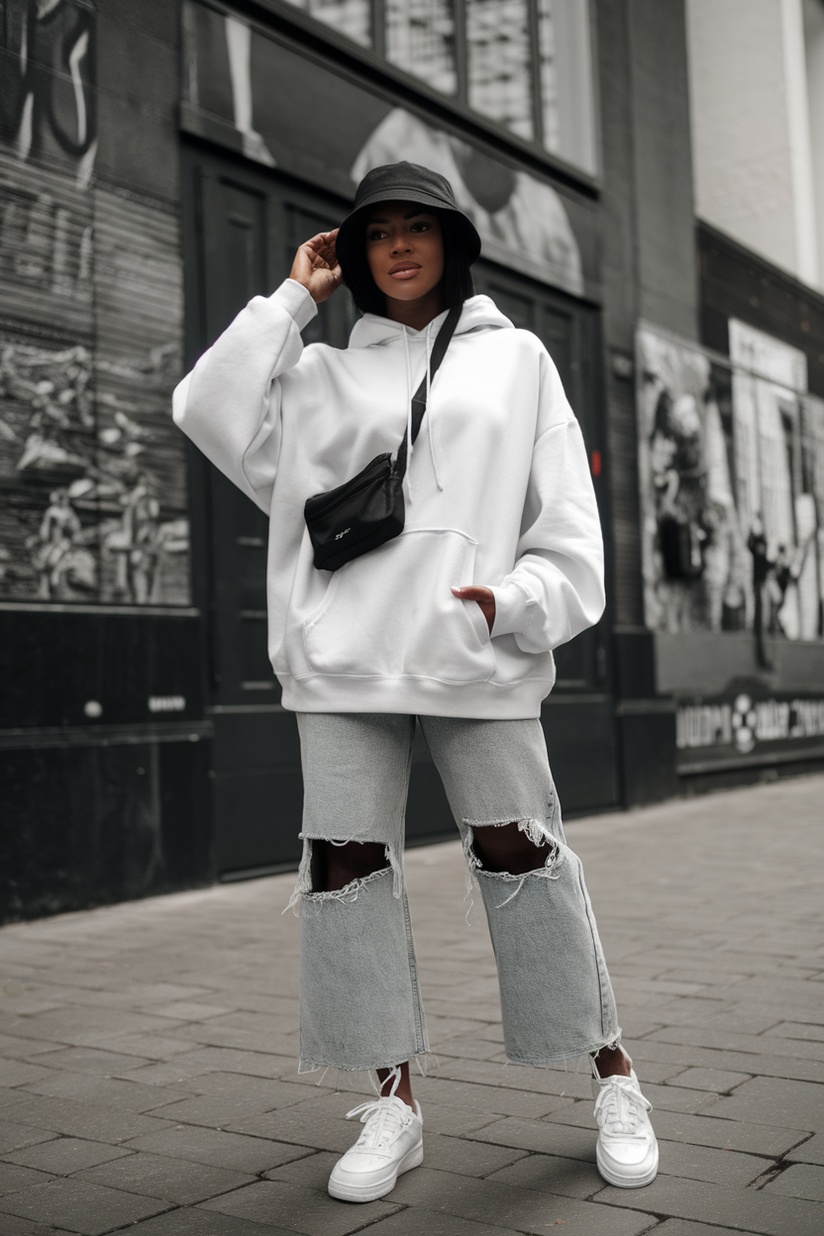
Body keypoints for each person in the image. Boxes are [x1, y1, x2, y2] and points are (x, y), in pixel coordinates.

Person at [173, 162, 658, 1202]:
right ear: (354, 254)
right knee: (344, 874)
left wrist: (513, 601)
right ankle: (392, 1100)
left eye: (416, 228)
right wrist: (295, 299)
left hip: (473, 655)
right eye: (375, 233)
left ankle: (610, 1069)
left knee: (522, 856)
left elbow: (567, 523)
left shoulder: (517, 361)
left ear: (451, 242)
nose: (397, 246)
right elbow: (202, 405)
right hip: (340, 663)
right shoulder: (313, 375)